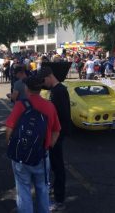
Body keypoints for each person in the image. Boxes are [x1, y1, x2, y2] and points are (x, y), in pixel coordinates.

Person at [6, 75, 60, 213]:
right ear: (40, 88)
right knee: (42, 188)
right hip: (42, 154)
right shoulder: (49, 106)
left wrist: (10, 145)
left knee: (23, 188)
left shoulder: (20, 105)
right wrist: (48, 146)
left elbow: (9, 129)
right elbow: (56, 131)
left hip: (21, 155)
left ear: (26, 88)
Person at [38, 66, 71, 211]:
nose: (43, 84)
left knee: (58, 167)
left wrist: (56, 133)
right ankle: (56, 193)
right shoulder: (55, 91)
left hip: (57, 134)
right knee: (53, 165)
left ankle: (59, 199)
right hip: (53, 133)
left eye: (44, 81)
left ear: (49, 77)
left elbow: (63, 115)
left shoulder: (59, 91)